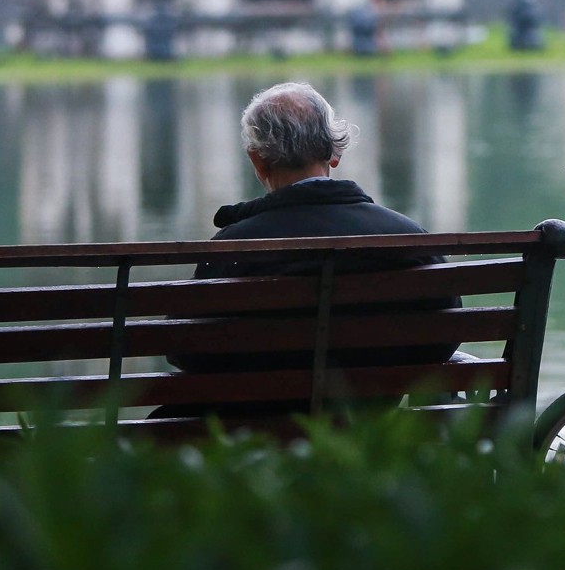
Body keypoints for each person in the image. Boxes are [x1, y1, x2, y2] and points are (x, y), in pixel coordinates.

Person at [161, 82, 457, 398]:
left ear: (257, 160)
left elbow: (184, 349)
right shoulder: (405, 237)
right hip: (367, 421)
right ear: (334, 153)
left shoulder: (233, 247)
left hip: (259, 424)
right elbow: (445, 334)